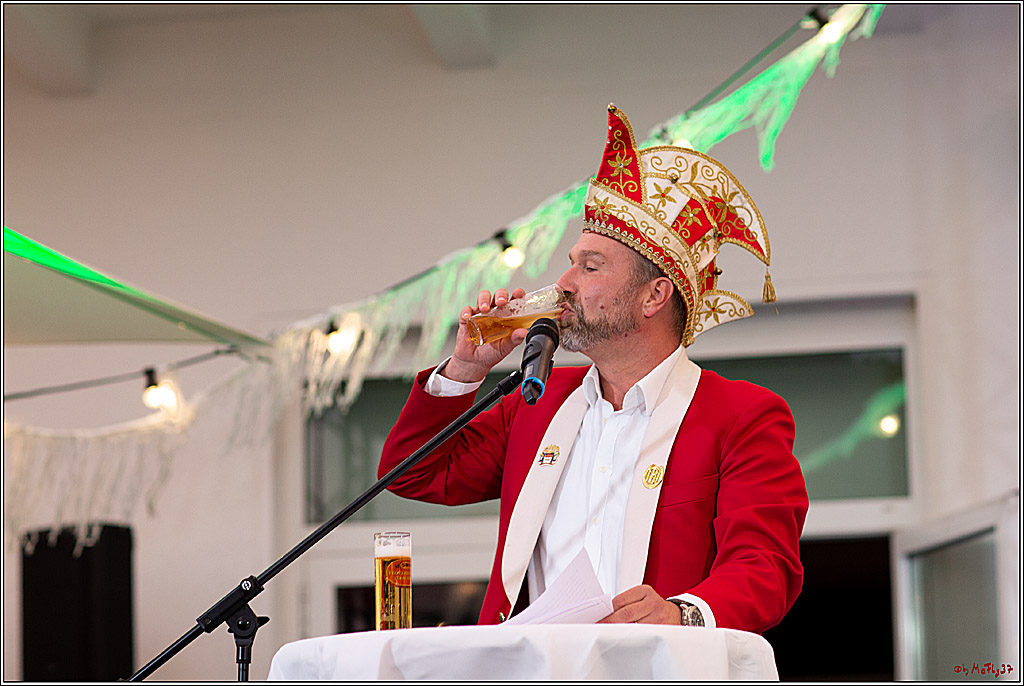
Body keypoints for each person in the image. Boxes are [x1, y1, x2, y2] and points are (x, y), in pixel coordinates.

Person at [378, 104, 807, 633]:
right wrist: (466, 368)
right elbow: (413, 473)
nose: (564, 281)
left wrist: (682, 613)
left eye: (590, 266)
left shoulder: (740, 414)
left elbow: (764, 567)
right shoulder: (535, 400)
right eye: (572, 261)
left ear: (654, 296)